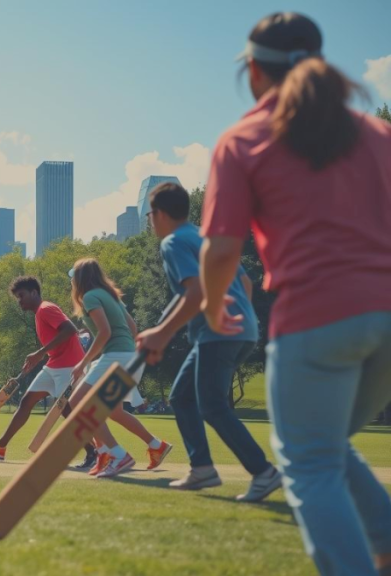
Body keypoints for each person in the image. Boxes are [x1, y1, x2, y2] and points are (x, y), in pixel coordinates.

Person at [198, 12, 391, 575]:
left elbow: (222, 250)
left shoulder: (244, 138)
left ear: (254, 70)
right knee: (323, 445)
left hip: (317, 317)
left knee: (307, 461)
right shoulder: (379, 135)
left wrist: (214, 306)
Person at [137, 182, 281, 502]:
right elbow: (243, 280)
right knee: (182, 397)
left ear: (159, 214)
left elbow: (197, 292)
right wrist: (163, 328)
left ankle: (263, 472)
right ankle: (202, 467)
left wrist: (161, 335)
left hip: (219, 333)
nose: (150, 221)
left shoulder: (173, 242)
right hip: (242, 330)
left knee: (212, 406)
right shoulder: (204, 236)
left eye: (149, 214)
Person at [0, 276, 96, 467]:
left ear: (34, 293)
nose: (19, 301)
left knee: (66, 411)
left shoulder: (46, 308)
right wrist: (38, 358)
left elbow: (70, 330)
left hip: (69, 366)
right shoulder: (39, 314)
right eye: (17, 297)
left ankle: (93, 451)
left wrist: (39, 353)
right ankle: (0, 446)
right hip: (53, 364)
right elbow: (57, 342)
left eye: (21, 296)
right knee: (26, 401)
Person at [65, 258, 173, 478]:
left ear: (80, 279)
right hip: (128, 356)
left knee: (77, 403)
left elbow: (104, 332)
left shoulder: (90, 297)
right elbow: (132, 327)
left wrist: (83, 363)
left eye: (73, 277)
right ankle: (155, 446)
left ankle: (116, 454)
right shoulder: (111, 296)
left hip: (114, 357)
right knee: (114, 411)